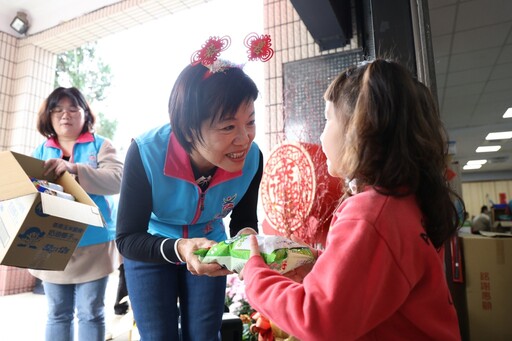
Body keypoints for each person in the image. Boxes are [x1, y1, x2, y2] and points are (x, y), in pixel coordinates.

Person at [241, 59, 463, 340]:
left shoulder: (372, 214)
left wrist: (254, 273)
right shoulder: (405, 202)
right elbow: (377, 279)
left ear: (358, 129)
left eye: (328, 118)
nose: (321, 135)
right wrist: (314, 262)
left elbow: (317, 319)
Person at [115, 57, 263, 340]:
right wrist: (180, 247)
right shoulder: (146, 153)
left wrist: (250, 246)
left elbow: (244, 221)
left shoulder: (253, 159)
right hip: (150, 243)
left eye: (251, 121)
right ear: (187, 128)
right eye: (228, 127)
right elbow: (127, 237)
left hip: (209, 244)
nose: (244, 139)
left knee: (205, 334)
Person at [29, 87, 123, 341]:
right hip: (51, 242)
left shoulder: (101, 145)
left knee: (91, 312)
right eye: (57, 110)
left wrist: (74, 169)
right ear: (48, 116)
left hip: (93, 242)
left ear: (85, 115)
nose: (65, 115)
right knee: (57, 312)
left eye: (73, 109)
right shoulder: (41, 151)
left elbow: (118, 179)